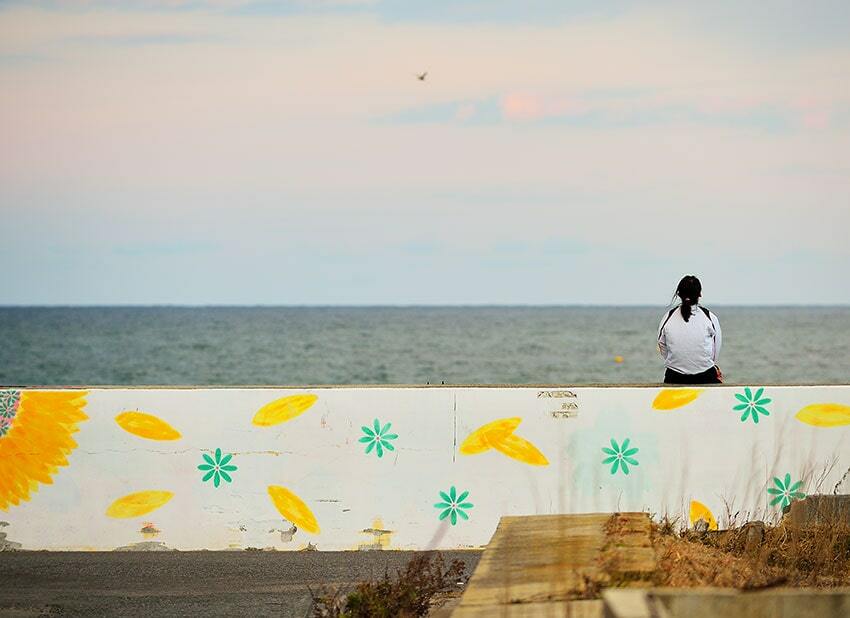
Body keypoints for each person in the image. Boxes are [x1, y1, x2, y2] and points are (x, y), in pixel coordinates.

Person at [657, 275, 722, 384]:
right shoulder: (709, 317)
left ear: (679, 294)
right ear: (700, 294)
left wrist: (677, 362)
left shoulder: (668, 317)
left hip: (674, 377)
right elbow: (715, 349)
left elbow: (662, 344)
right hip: (705, 376)